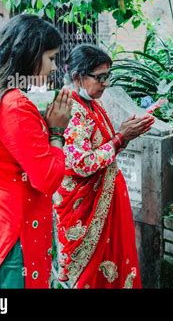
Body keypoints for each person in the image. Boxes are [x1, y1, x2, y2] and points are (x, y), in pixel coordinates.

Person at [0, 14, 73, 288]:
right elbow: (47, 179)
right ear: (30, 55)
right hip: (13, 239)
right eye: (51, 58)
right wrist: (56, 132)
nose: (54, 67)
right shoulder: (13, 105)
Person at [53, 44, 154, 288]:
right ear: (78, 76)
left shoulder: (92, 104)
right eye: (100, 78)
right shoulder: (73, 109)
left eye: (108, 77)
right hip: (84, 210)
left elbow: (106, 148)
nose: (105, 84)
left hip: (105, 200)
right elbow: (81, 163)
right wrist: (121, 137)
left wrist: (124, 136)